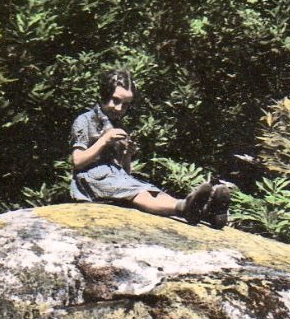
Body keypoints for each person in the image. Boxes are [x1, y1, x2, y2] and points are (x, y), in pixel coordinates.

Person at [69, 68, 235, 227]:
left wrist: (127, 155)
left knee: (152, 191)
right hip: (91, 181)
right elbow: (77, 161)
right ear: (104, 95)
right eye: (116, 101)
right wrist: (104, 140)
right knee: (139, 193)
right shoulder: (84, 120)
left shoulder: (118, 125)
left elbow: (124, 173)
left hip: (115, 180)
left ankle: (207, 212)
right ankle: (186, 208)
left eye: (126, 104)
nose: (120, 108)